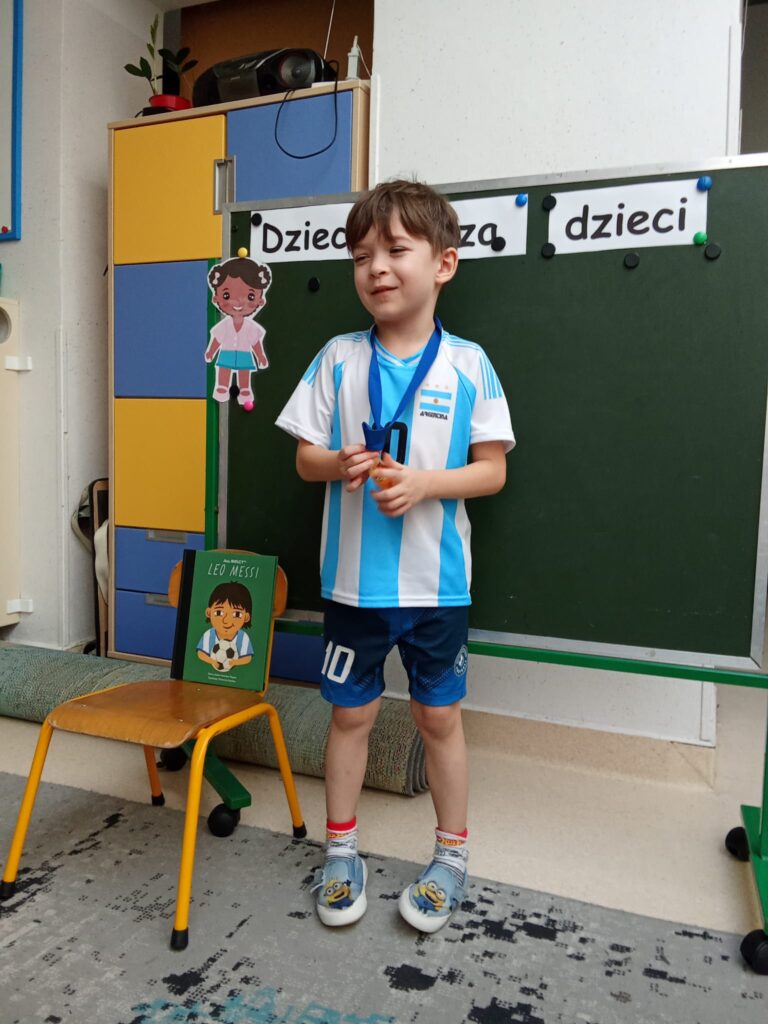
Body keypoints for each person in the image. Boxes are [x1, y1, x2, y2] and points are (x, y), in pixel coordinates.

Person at [275, 179, 515, 932]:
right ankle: (340, 850)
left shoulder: (469, 364)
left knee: (439, 719)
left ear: (443, 263)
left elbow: (493, 471)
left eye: (395, 250)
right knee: (350, 718)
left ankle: (451, 857)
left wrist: (425, 484)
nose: (375, 268)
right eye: (360, 256)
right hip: (354, 587)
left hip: (438, 589)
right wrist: (339, 462)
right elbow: (304, 460)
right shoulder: (338, 359)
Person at [205, 256, 271, 406]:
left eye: (250, 296)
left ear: (260, 301)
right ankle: (222, 387)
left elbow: (255, 343)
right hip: (226, 352)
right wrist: (211, 352)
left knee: (244, 372)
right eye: (227, 295)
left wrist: (260, 356)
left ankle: (245, 389)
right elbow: (217, 339)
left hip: (244, 354)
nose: (238, 302)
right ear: (216, 299)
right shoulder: (224, 325)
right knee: (224, 369)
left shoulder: (251, 327)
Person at [196, 582, 254, 672]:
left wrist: (235, 662)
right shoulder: (208, 635)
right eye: (219, 613)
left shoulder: (243, 638)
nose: (226, 621)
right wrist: (212, 661)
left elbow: (248, 658)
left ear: (246, 617)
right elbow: (200, 653)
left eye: (237, 614)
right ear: (209, 612)